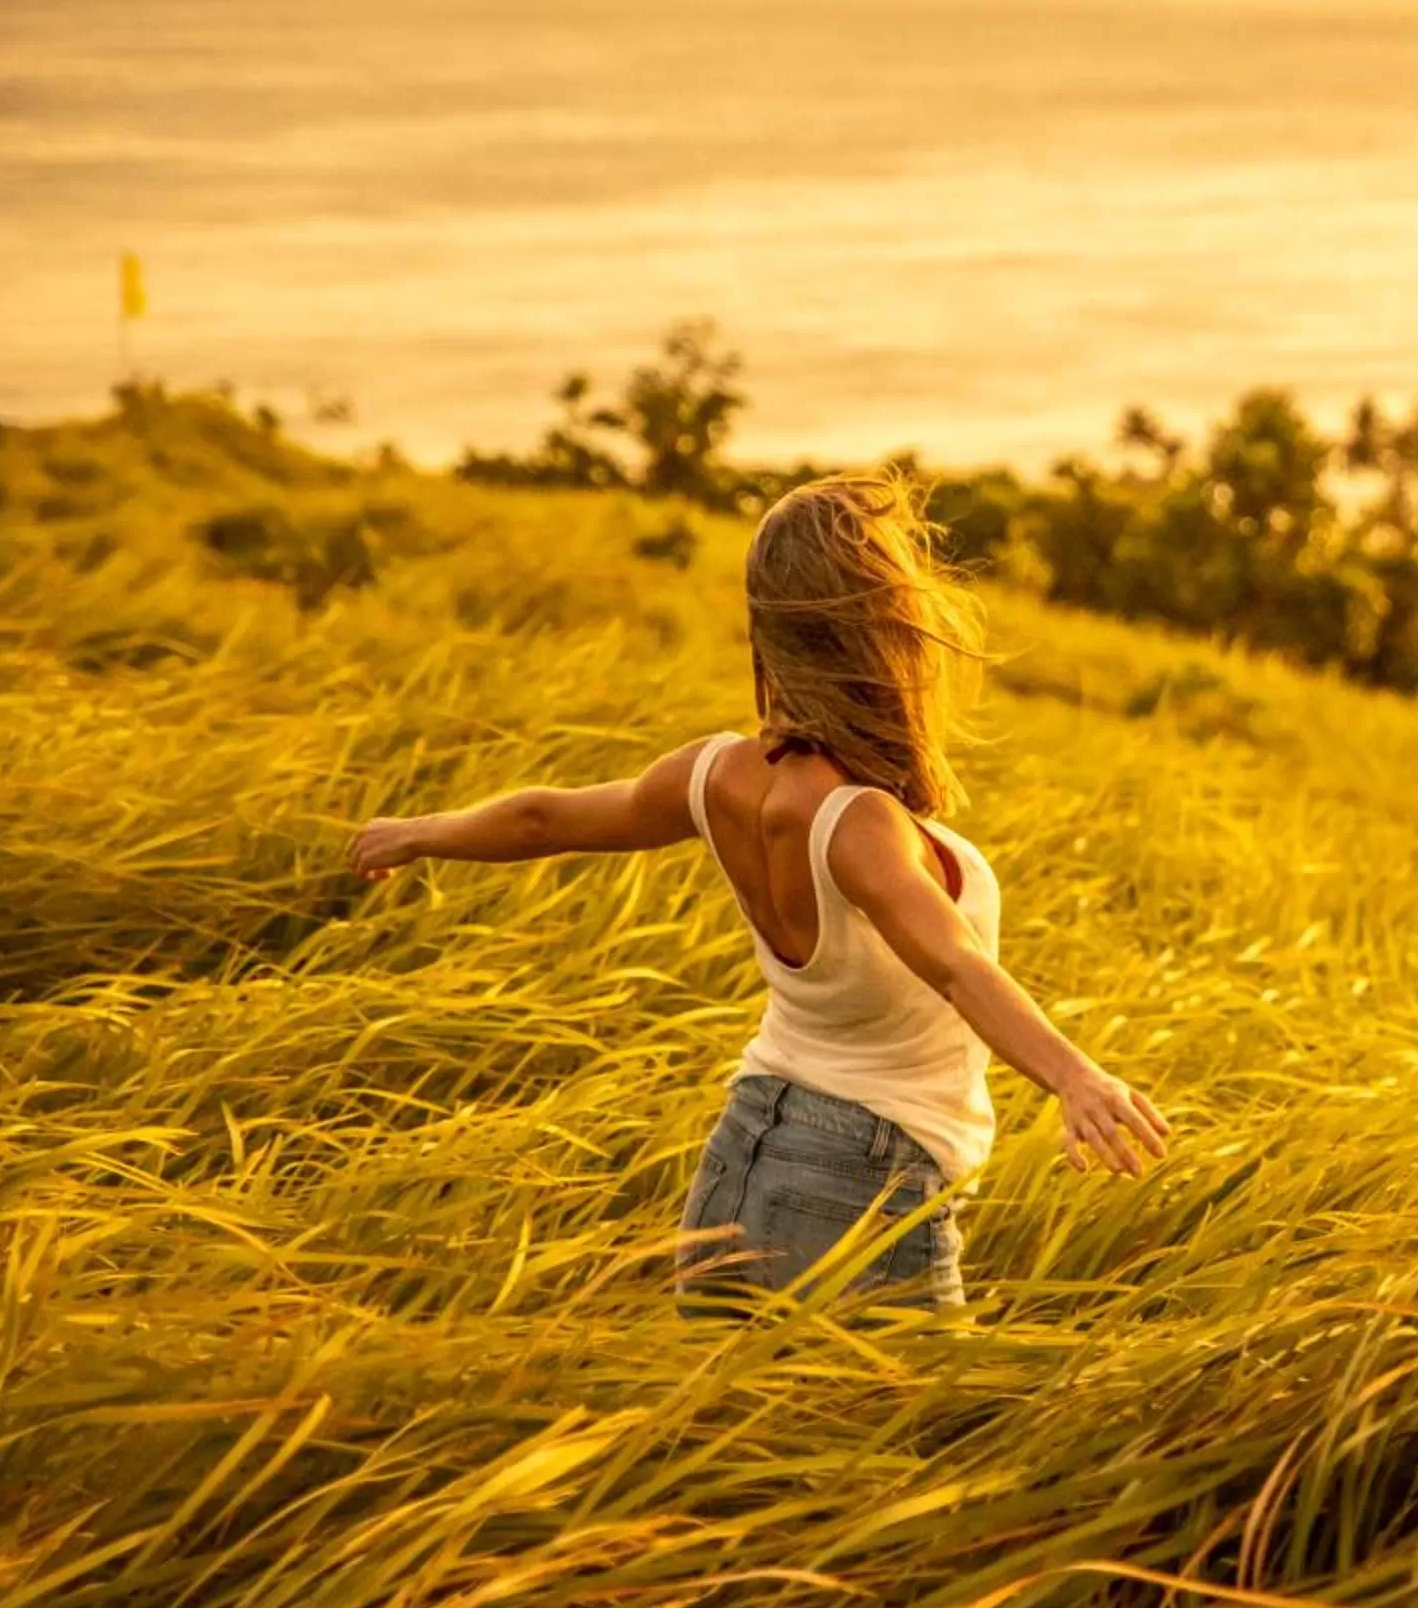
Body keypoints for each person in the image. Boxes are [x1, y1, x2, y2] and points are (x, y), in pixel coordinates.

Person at [344, 474, 1166, 1309]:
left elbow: (541, 819)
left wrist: (418, 832)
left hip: (740, 1153)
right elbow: (955, 965)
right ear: (881, 630)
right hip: (865, 1175)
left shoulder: (712, 774)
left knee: (727, 1396)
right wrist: (1075, 1076)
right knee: (926, 1400)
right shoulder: (858, 823)